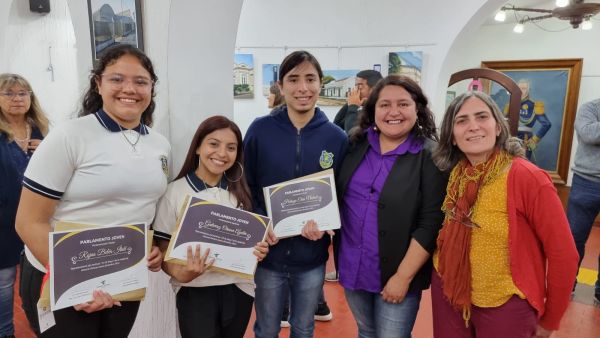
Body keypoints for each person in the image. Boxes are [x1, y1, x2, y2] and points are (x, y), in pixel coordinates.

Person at [15, 44, 169, 338]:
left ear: (152, 89)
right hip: (61, 278)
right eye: (116, 79)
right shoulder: (69, 136)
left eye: (140, 81)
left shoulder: (160, 144)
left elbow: (142, 208)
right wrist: (77, 282)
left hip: (122, 278)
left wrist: (153, 250)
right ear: (98, 84)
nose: (130, 89)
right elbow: (28, 222)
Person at [431, 91, 579, 338]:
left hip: (505, 303)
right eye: (462, 121)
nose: (473, 127)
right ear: (452, 136)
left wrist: (551, 319)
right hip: (449, 293)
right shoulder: (453, 173)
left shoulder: (527, 177)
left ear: (498, 127)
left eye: (482, 117)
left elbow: (563, 254)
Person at [243, 50, 347, 338]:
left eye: (310, 79)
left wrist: (327, 225)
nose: (303, 88)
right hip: (268, 258)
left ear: (320, 84)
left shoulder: (336, 138)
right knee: (266, 329)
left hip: (311, 258)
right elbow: (246, 184)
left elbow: (341, 193)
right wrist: (260, 223)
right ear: (281, 85)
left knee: (303, 328)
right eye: (294, 79)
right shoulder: (260, 131)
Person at [335, 75, 446, 337]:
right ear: (372, 110)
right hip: (353, 266)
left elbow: (430, 224)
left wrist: (403, 278)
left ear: (417, 108)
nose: (393, 112)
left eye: (403, 104)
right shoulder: (355, 145)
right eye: (384, 104)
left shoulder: (430, 156)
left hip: (398, 273)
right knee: (365, 331)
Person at [154, 115, 276, 338]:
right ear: (198, 147)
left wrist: (260, 250)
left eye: (231, 147)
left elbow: (250, 243)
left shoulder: (240, 193)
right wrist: (182, 273)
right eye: (213, 144)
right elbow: (162, 247)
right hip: (195, 291)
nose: (222, 153)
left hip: (239, 289)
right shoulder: (175, 192)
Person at [0, 73, 49, 338]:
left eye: (22, 93)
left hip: (37, 219)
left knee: (39, 276)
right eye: (8, 93)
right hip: (4, 223)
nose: (17, 99)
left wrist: (46, 149)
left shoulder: (40, 130)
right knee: (4, 283)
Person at [567, 98, 600, 303]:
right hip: (585, 183)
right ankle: (566, 284)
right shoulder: (589, 108)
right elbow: (589, 134)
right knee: (573, 238)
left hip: (585, 183)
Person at [507, 79, 551, 161]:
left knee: (523, 166)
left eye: (524, 88)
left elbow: (546, 124)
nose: (521, 91)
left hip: (525, 141)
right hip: (509, 140)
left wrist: (534, 140)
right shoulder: (510, 105)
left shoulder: (535, 105)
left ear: (528, 90)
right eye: (519, 88)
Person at [333, 69, 383, 134]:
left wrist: (353, 105)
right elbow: (337, 125)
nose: (356, 90)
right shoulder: (364, 109)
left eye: (359, 87)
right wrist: (350, 102)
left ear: (374, 89)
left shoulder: (381, 110)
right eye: (355, 86)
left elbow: (352, 133)